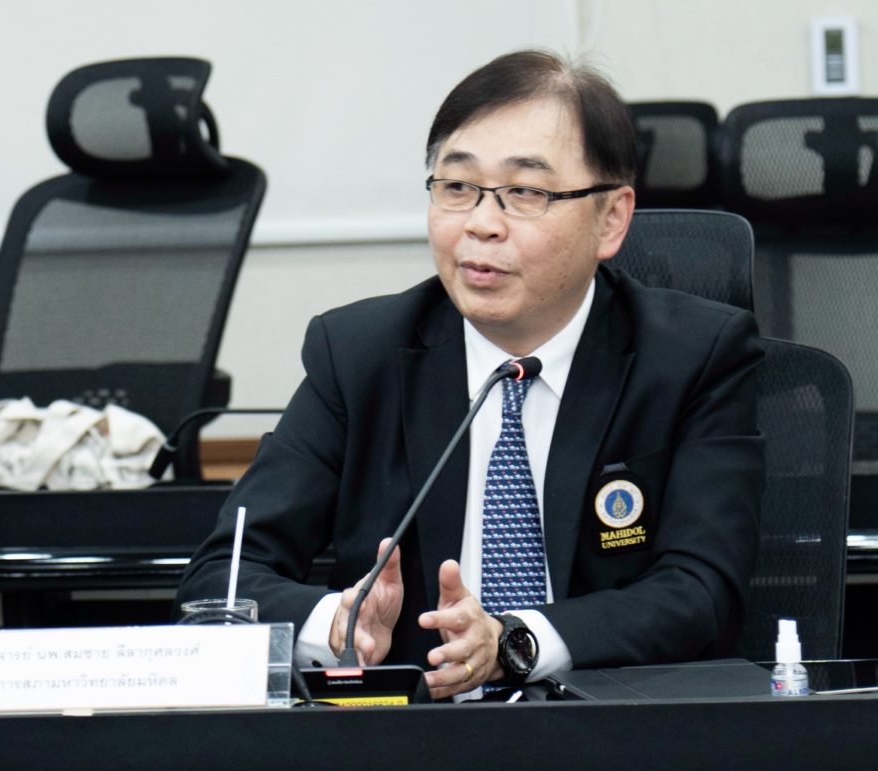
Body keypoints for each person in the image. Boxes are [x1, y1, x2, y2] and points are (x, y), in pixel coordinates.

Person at [174, 50, 763, 701]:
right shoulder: (359, 354)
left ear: (611, 219)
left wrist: (515, 641)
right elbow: (223, 579)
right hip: (413, 733)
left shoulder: (692, 356)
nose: (481, 224)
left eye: (526, 193)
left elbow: (702, 590)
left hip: (610, 729)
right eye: (457, 187)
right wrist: (334, 622)